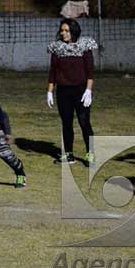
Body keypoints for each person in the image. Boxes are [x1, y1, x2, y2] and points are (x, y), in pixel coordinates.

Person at [46, 18, 97, 165]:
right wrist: (50, 91)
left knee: (84, 122)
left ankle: (90, 153)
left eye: (66, 30)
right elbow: (53, 72)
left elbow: (90, 71)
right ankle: (68, 154)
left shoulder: (84, 46)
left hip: (81, 90)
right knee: (66, 123)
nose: (63, 33)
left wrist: (88, 90)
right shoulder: (57, 48)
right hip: (63, 91)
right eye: (62, 30)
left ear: (73, 31)